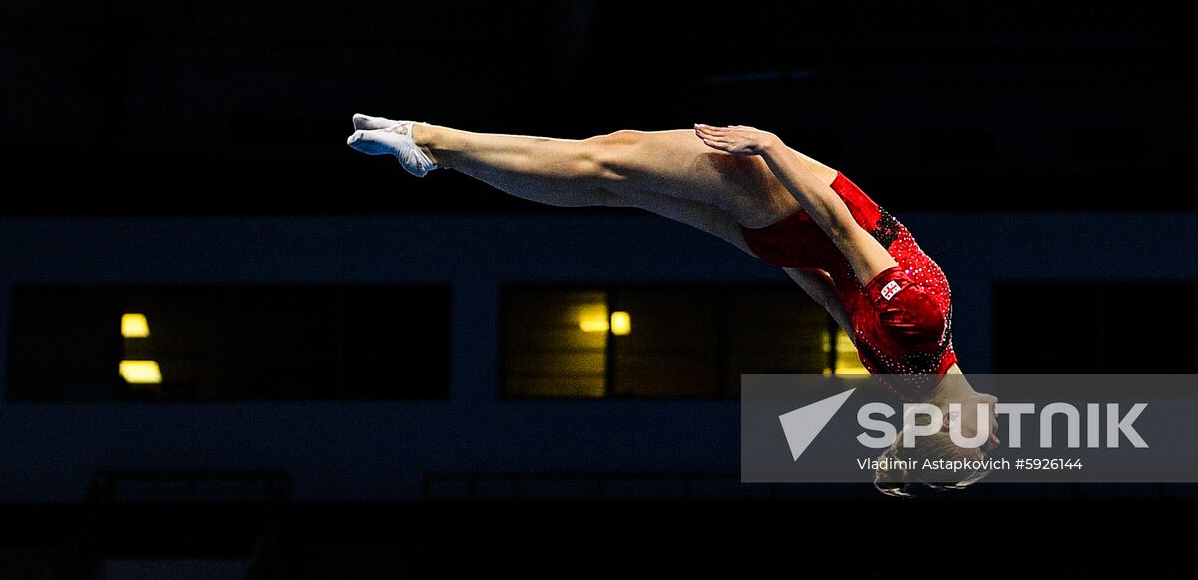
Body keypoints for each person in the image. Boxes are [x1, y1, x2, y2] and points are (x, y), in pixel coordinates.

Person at [346, 113, 999, 491]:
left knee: (607, 159)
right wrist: (748, 241)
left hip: (782, 205)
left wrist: (768, 146)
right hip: (775, 234)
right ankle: (438, 154)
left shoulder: (921, 331)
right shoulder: (905, 379)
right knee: (609, 183)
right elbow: (826, 282)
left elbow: (838, 227)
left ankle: (428, 138)